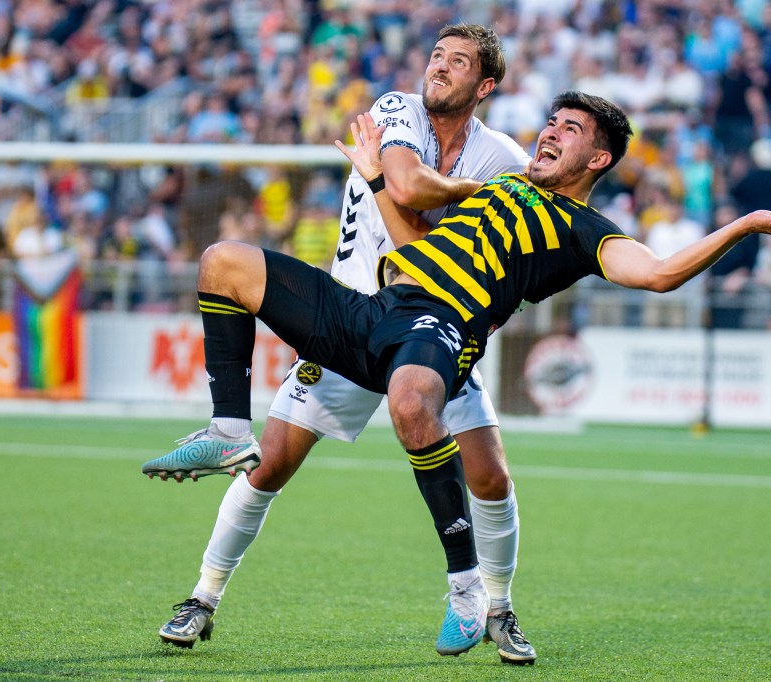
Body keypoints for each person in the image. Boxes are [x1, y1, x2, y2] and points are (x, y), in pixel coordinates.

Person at [145, 89, 771, 660]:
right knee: (223, 263)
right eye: (552, 122)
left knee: (454, 441)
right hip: (377, 309)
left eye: (571, 130)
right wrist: (378, 181)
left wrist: (742, 227)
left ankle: (480, 599)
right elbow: (419, 252)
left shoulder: (585, 230)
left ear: (600, 158)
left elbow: (661, 272)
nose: (551, 132)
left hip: (441, 334)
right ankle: (227, 437)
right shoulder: (499, 187)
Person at [141, 25, 538, 664]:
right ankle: (203, 597)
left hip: (435, 332)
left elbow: (519, 254)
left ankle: (498, 607)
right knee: (269, 464)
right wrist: (468, 195)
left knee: (490, 476)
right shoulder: (395, 110)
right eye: (436, 55)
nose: (439, 67)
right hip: (354, 320)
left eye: (458, 62)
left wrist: (488, 314)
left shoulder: (505, 158)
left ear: (485, 85)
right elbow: (404, 190)